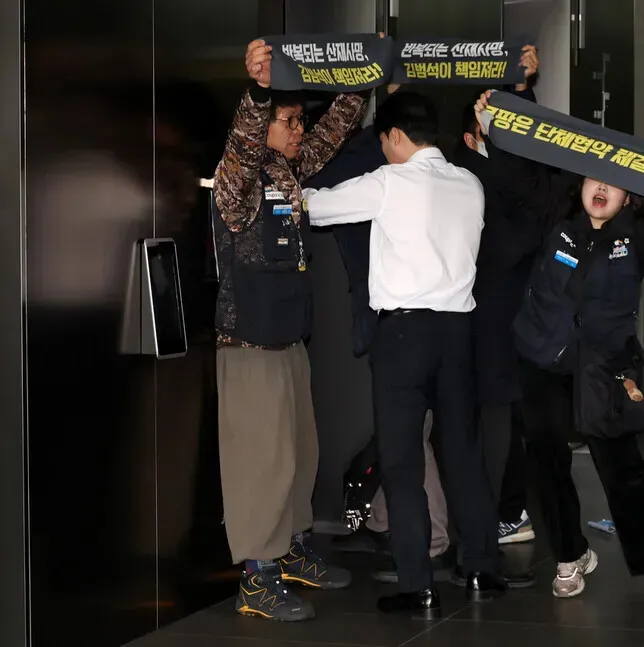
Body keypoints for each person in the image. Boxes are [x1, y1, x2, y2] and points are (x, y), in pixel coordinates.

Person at [474, 90, 644, 600]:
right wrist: (497, 126)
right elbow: (520, 178)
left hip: (604, 369)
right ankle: (569, 554)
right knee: (547, 461)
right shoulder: (554, 221)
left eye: (615, 184)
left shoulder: (638, 240)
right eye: (594, 178)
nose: (601, 187)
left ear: (630, 197)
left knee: (621, 469)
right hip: (542, 360)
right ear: (580, 183)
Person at [303, 90, 505, 617]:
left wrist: (287, 191)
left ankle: (420, 583)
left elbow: (317, 209)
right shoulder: (470, 183)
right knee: (463, 454)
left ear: (393, 136)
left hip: (403, 337)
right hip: (459, 333)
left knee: (402, 461)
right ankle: (482, 568)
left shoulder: (388, 182)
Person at [211, 39, 366, 621]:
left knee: (301, 455)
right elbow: (245, 141)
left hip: (289, 339)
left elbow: (336, 129)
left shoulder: (289, 170)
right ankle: (256, 575)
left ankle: (294, 551)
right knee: (262, 462)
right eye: (289, 120)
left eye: (300, 119)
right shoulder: (238, 180)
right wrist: (257, 91)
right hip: (250, 341)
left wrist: (366, 77)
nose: (301, 129)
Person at [452, 44, 542, 549]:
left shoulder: (506, 167)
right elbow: (522, 210)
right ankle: (500, 512)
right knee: (494, 418)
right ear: (473, 134)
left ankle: (508, 510)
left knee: (511, 417)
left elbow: (532, 188)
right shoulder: (465, 172)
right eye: (492, 126)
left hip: (510, 316)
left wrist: (521, 92)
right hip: (485, 316)